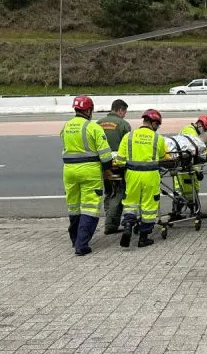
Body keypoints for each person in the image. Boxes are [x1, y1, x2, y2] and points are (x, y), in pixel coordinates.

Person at [60, 95, 114, 256]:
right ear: (89, 110)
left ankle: (74, 238)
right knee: (90, 207)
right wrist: (108, 171)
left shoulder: (66, 126)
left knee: (74, 205)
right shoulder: (93, 128)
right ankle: (81, 245)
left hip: (69, 171)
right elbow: (105, 155)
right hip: (89, 171)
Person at [114, 109, 167, 248]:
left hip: (132, 175)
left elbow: (119, 160)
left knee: (130, 203)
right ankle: (143, 238)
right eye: (158, 125)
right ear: (154, 123)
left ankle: (128, 227)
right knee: (149, 207)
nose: (158, 128)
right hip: (150, 175)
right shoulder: (158, 138)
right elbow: (163, 158)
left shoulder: (129, 136)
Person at [96, 99, 132, 234]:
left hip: (103, 165)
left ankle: (109, 220)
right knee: (117, 193)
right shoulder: (123, 124)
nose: (124, 115)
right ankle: (110, 225)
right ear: (120, 110)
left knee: (109, 192)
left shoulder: (98, 123)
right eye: (124, 112)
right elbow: (128, 146)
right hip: (116, 165)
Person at [173, 115, 207, 220]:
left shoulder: (192, 130)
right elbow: (192, 153)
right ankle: (191, 212)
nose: (204, 132)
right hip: (185, 166)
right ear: (200, 124)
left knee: (188, 190)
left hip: (186, 166)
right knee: (187, 190)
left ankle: (182, 212)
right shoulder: (190, 131)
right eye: (205, 129)